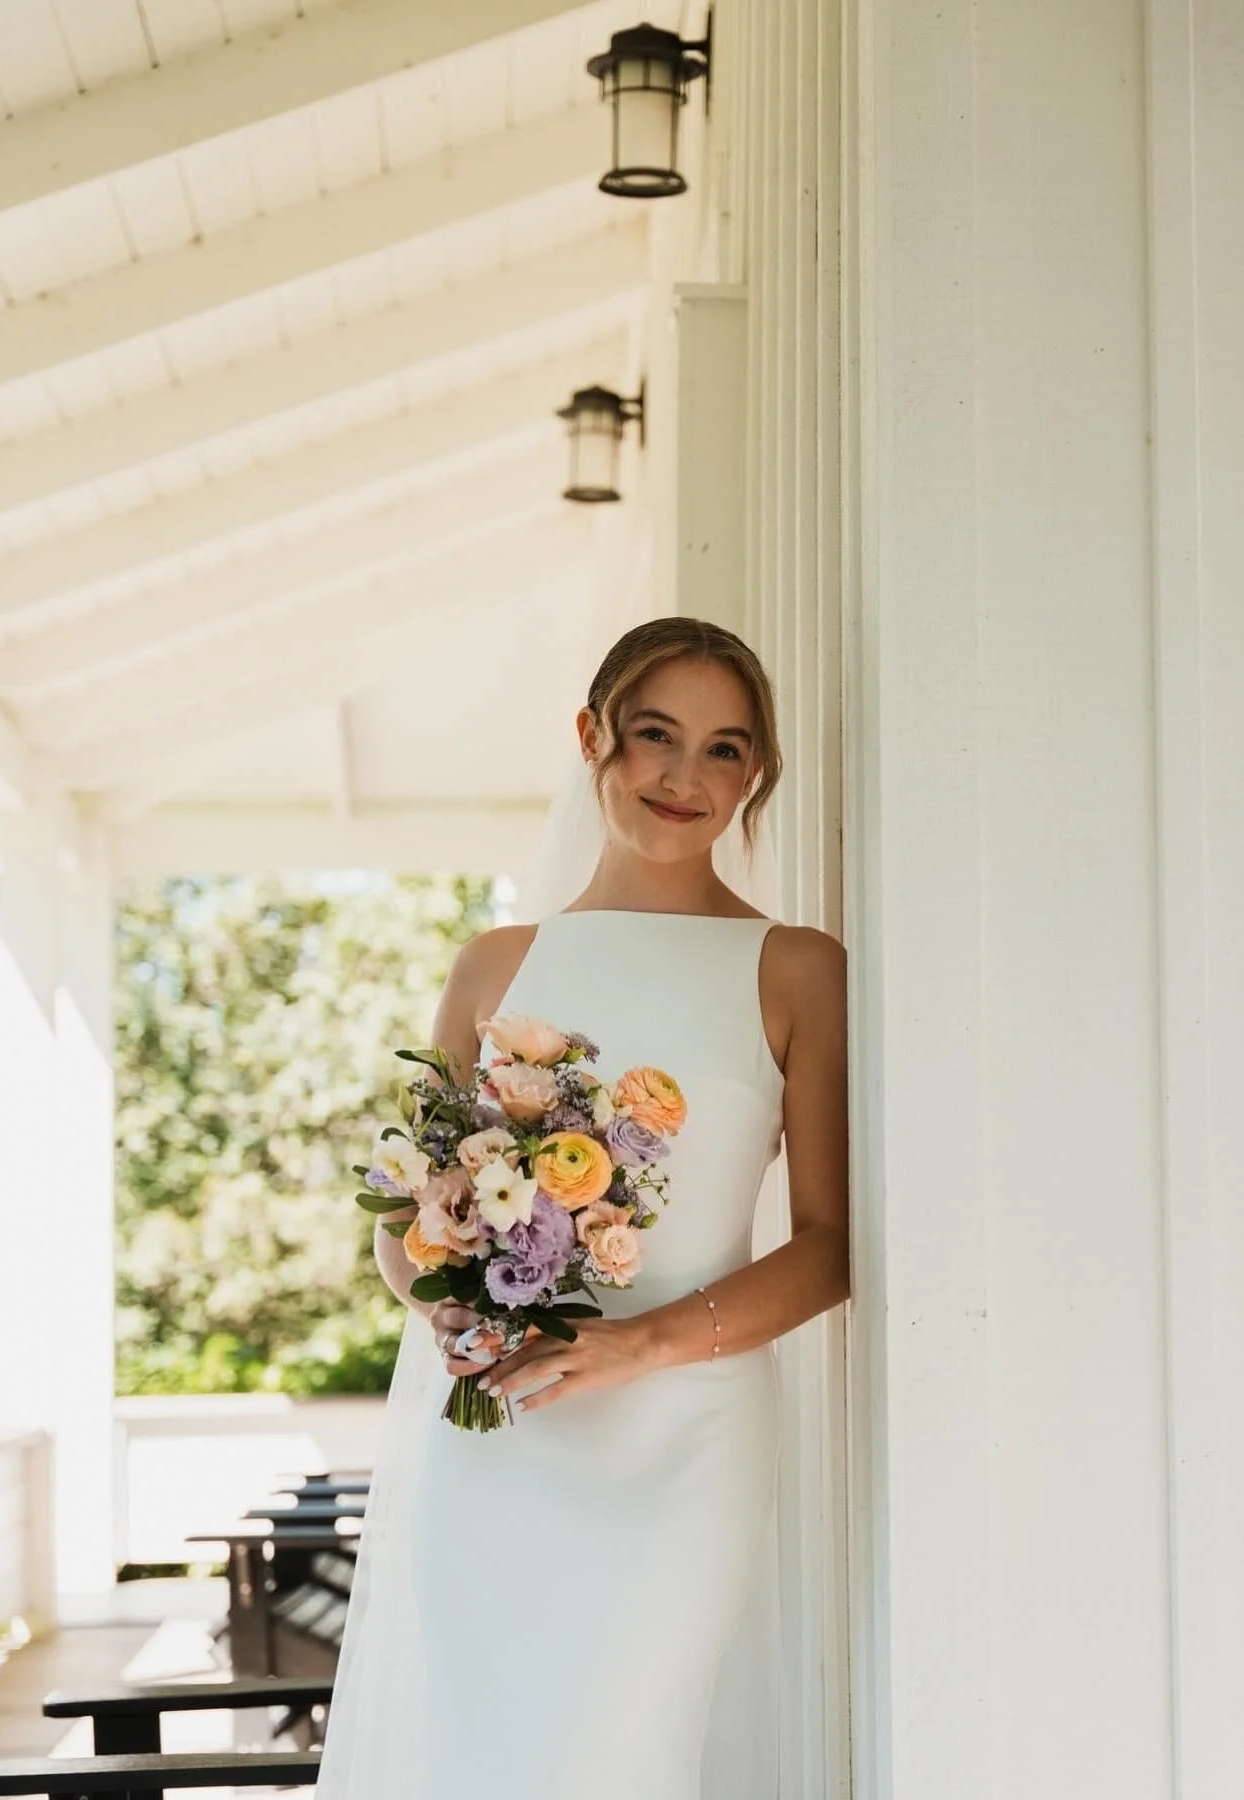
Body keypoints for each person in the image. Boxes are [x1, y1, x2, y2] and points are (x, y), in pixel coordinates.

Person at [312, 616, 849, 1800]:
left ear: (755, 773)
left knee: (627, 1748)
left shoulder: (799, 969)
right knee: (485, 1755)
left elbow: (827, 1248)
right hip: (502, 1438)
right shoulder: (494, 966)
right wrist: (448, 1308)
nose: (684, 775)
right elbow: (411, 1216)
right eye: (656, 734)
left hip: (690, 1439)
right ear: (592, 736)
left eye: (724, 749)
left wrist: (638, 1345)